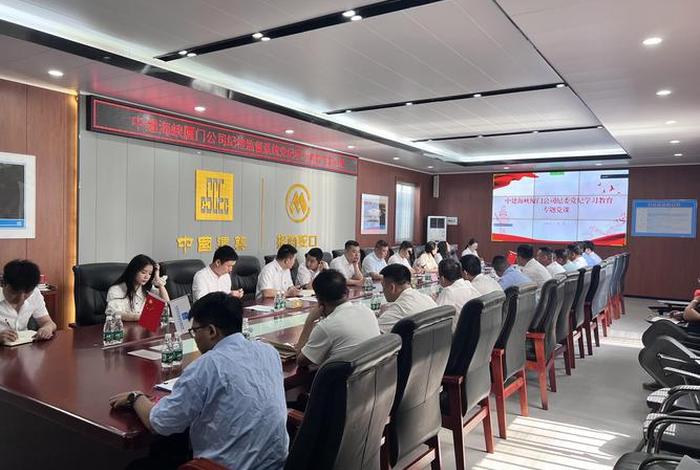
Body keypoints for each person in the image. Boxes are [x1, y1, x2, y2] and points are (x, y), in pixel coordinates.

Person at [109, 293, 288, 470]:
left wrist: (136, 398)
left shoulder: (208, 365)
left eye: (195, 331)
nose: (194, 337)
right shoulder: (269, 352)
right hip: (278, 464)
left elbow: (160, 423)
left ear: (211, 331)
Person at [296, 270, 380, 367]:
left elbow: (300, 361)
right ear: (347, 292)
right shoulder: (367, 311)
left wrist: (309, 321)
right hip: (374, 374)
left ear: (319, 301)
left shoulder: (326, 326)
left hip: (347, 377)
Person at [0, 260, 57, 344]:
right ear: (2, 283)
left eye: (27, 293)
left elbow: (48, 322)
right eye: (15, 292)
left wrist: (47, 328)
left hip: (24, 347)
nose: (20, 299)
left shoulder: (35, 293)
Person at [106, 255, 170, 322]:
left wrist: (159, 283)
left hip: (145, 326)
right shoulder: (116, 289)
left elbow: (166, 304)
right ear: (133, 271)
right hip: (124, 326)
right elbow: (113, 313)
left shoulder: (148, 289)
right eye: (143, 272)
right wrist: (140, 317)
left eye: (150, 274)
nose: (147, 277)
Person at [377, 264, 436, 333]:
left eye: (383, 286)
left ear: (391, 287)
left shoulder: (398, 308)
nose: (383, 290)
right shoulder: (427, 298)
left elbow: (374, 332)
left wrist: (382, 315)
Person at [435, 258, 481, 330]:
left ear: (442, 279)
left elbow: (435, 317)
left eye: (438, 278)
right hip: (474, 331)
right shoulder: (469, 285)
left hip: (458, 334)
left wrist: (434, 300)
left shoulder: (448, 291)